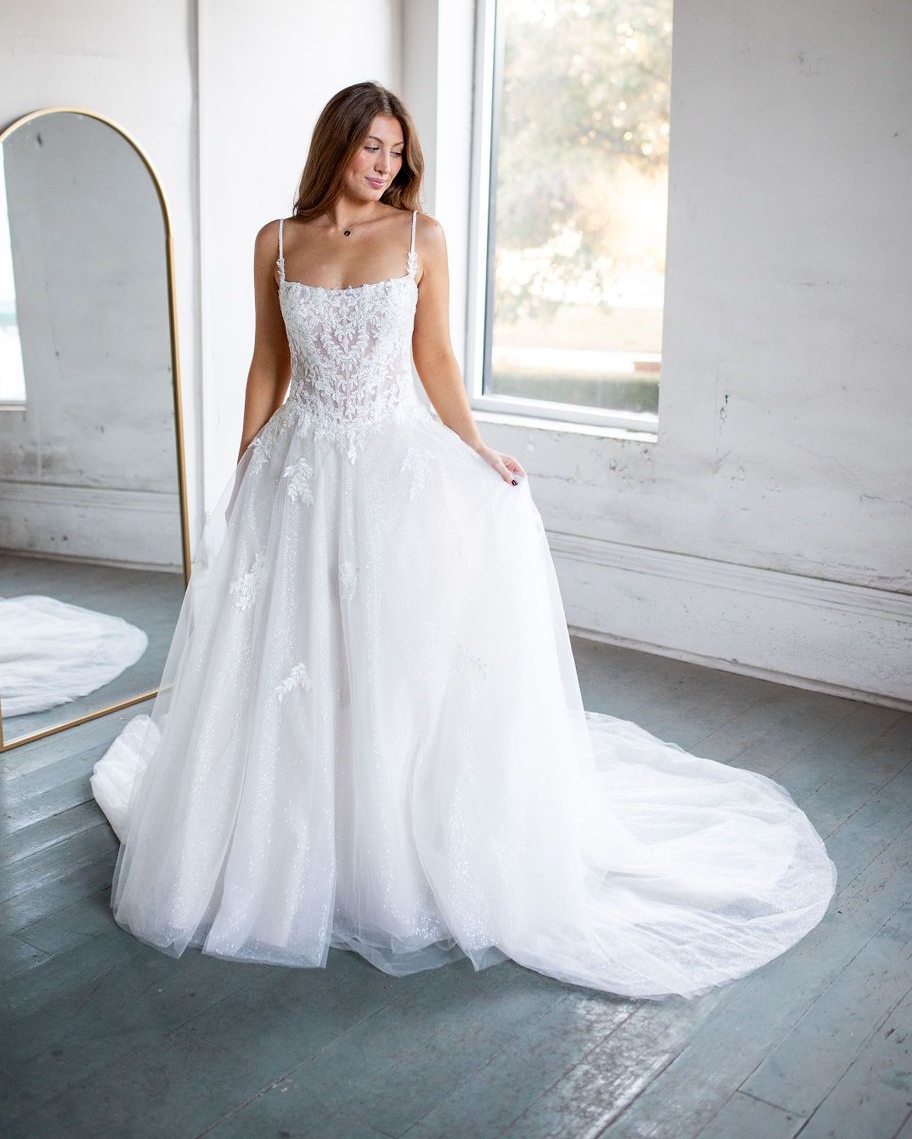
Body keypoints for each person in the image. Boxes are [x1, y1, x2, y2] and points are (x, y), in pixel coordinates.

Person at [90, 80, 837, 1000]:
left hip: (393, 469)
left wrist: (474, 446)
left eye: (397, 151)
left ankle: (393, 842)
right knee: (298, 652)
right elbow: (268, 361)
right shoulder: (276, 242)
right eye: (372, 148)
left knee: (394, 656)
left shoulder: (421, 237)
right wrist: (245, 464)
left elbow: (434, 358)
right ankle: (293, 830)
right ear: (336, 147)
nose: (387, 165)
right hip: (301, 468)